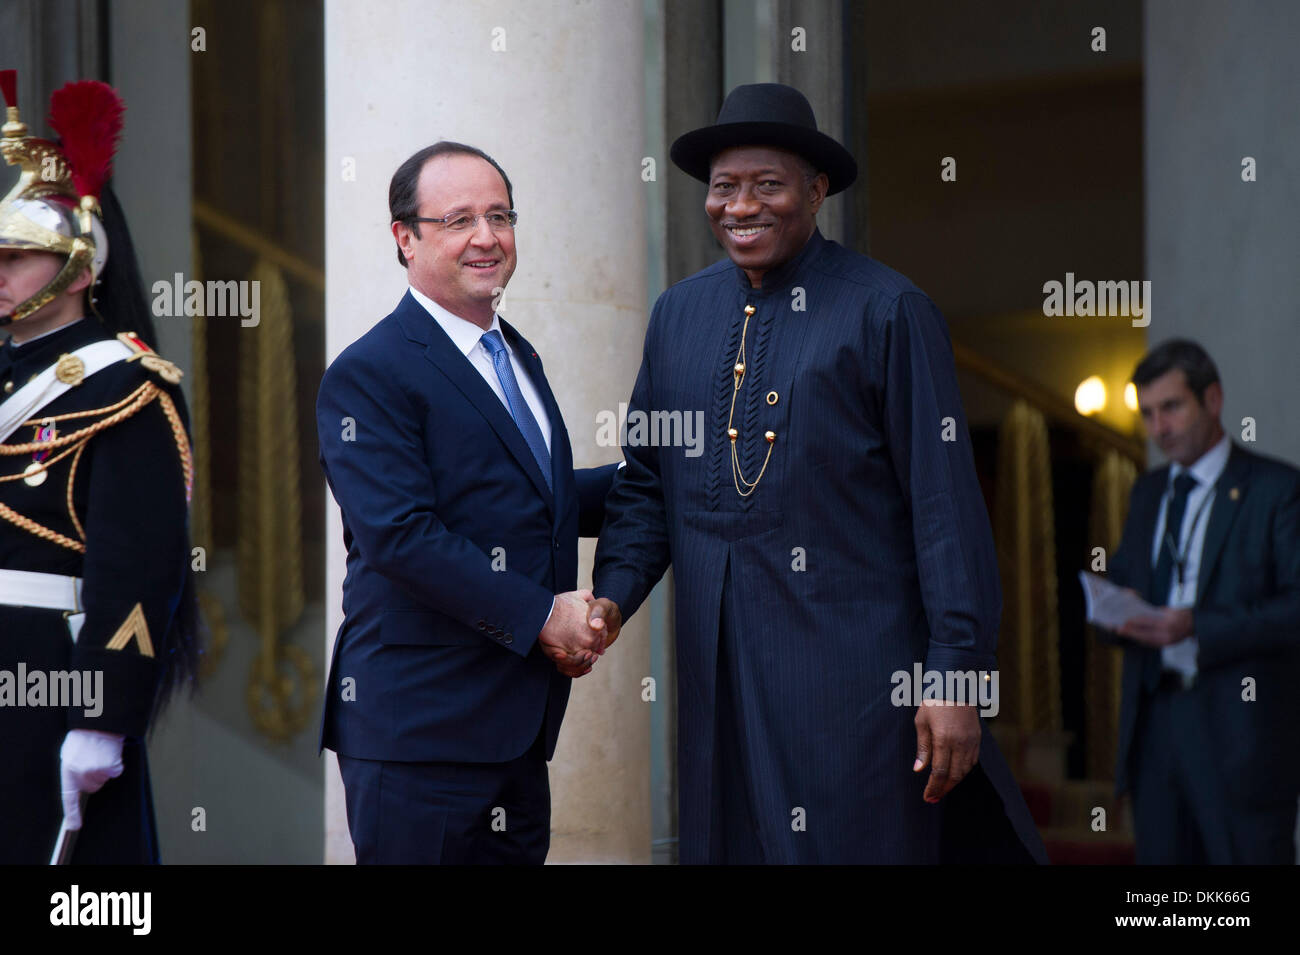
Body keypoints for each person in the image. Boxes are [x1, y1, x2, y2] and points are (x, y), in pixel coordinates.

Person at [586, 83, 1046, 863]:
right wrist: (611, 599)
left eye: (767, 185)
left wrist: (956, 676)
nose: (741, 206)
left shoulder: (888, 312)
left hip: (856, 699)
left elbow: (946, 512)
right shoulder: (679, 316)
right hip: (719, 692)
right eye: (725, 187)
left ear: (816, 189)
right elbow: (645, 482)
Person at [316, 141, 618, 864]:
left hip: (513, 729)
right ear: (406, 238)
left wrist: (654, 476)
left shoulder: (513, 352)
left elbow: (526, 505)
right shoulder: (370, 372)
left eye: (499, 215)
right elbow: (403, 536)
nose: (486, 237)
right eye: (457, 219)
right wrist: (544, 615)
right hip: (421, 733)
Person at [0, 73, 199, 864]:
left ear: (80, 269)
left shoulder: (128, 385)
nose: (2, 271)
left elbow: (140, 569)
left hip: (54, 668)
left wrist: (104, 713)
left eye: (19, 257)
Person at [1108, 339, 1300, 863]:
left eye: (1171, 407)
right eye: (1147, 413)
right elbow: (1127, 578)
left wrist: (1197, 625)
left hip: (1242, 730)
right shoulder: (1147, 492)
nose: (1158, 428)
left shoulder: (1275, 489)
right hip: (1156, 722)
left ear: (1212, 400)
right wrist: (1114, 610)